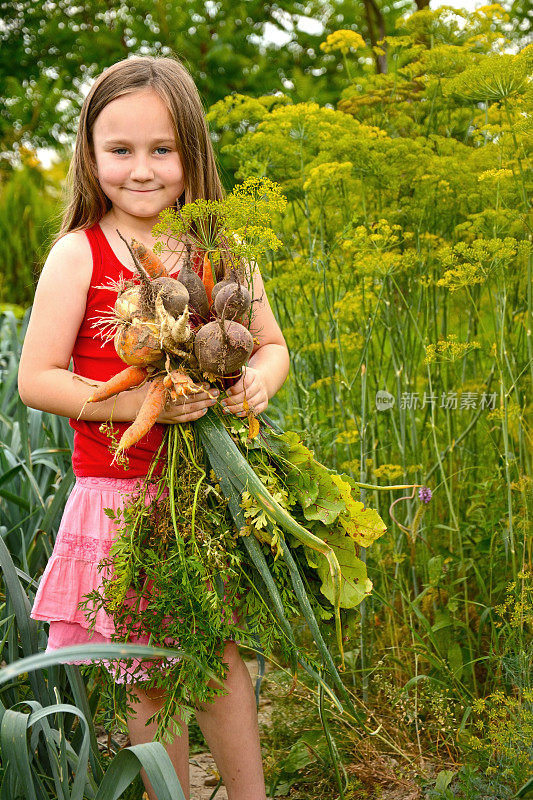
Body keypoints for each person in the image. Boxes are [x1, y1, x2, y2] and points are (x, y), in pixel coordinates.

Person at [18, 55, 289, 800]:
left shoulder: (217, 250)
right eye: (120, 150)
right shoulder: (79, 255)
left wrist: (258, 381)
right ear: (90, 154)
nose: (142, 169)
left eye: (161, 150)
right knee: (146, 676)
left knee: (221, 663)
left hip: (201, 502)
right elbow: (36, 378)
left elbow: (270, 343)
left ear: (191, 152)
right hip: (120, 497)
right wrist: (144, 407)